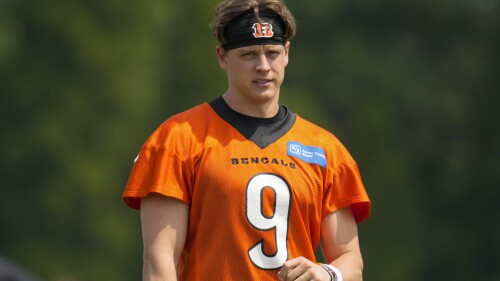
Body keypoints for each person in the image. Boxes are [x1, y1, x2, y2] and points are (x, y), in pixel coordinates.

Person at [122, 0, 371, 280]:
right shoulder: (178, 139)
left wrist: (326, 273)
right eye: (249, 54)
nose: (263, 66)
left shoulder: (326, 150)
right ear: (222, 57)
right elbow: (159, 259)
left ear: (287, 53)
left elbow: (350, 259)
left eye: (272, 53)